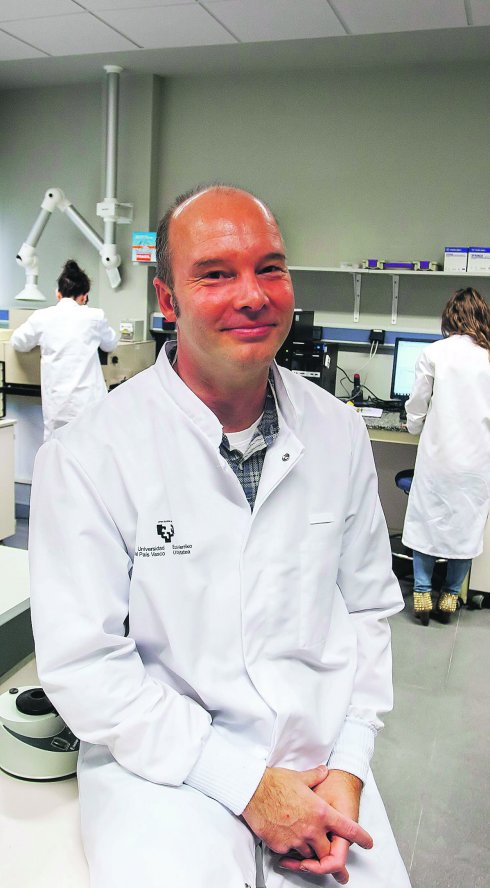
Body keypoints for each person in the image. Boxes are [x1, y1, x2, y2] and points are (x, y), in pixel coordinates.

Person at [29, 186, 410, 888]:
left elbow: (366, 610)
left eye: (271, 267)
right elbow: (86, 667)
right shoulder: (90, 456)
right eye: (215, 272)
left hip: (317, 757)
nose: (253, 294)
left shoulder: (337, 432)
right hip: (166, 769)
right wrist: (248, 786)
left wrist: (352, 763)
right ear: (167, 299)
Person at [402, 288, 490, 625]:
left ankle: (422, 592)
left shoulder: (434, 353)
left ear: (449, 318)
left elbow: (418, 404)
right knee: (465, 527)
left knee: (427, 521)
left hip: (439, 457)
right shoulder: (488, 356)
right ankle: (451, 595)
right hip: (477, 461)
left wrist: (413, 426)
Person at [10, 258, 119, 440]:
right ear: (84, 296)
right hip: (89, 404)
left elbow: (18, 342)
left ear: (58, 294)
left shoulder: (42, 317)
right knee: (90, 454)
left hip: (58, 405)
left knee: (55, 456)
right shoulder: (94, 316)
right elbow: (111, 343)